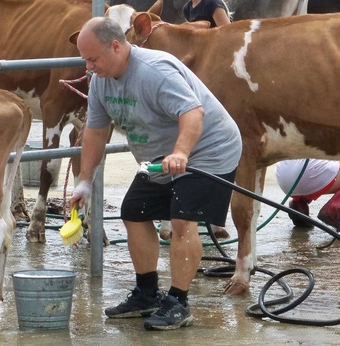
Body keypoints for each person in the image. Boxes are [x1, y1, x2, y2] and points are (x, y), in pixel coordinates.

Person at [69, 17, 242, 331]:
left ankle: (179, 303)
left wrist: (181, 153)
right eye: (86, 60)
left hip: (208, 148)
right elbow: (95, 131)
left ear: (117, 46)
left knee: (181, 218)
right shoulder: (101, 82)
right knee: (134, 211)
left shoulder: (154, 71)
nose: (89, 67)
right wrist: (85, 180)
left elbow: (193, 112)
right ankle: (147, 293)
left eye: (93, 59)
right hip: (163, 156)